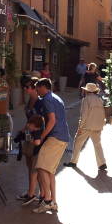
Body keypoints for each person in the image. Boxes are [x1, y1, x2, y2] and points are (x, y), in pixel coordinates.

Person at [25, 78, 70, 214]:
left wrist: (42, 136)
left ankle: (48, 201)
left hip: (55, 137)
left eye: (37, 87)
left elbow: (52, 120)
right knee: (49, 171)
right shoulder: (56, 97)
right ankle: (52, 201)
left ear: (43, 87)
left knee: (41, 166)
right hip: (62, 136)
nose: (36, 90)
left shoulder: (47, 99)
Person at [64, 82, 107, 171]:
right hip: (97, 126)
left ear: (87, 91)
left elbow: (84, 115)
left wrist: (80, 127)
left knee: (77, 143)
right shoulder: (99, 99)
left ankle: (73, 161)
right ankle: (102, 163)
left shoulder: (86, 99)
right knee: (97, 144)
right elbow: (102, 114)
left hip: (86, 126)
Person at [15, 114, 45, 202]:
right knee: (31, 172)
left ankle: (31, 194)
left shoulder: (37, 132)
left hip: (36, 154)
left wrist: (30, 139)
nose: (28, 125)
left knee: (34, 174)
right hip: (30, 154)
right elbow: (21, 136)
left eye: (30, 124)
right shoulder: (30, 130)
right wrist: (24, 131)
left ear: (36, 126)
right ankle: (32, 192)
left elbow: (37, 143)